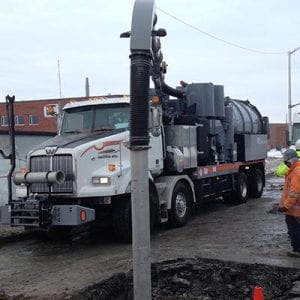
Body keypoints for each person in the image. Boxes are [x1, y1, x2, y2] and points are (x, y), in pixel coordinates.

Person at [279, 148, 300, 257]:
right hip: (294, 209)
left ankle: (297, 250)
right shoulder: (294, 171)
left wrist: (285, 206)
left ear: (291, 160)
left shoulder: (296, 172)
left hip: (295, 210)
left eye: (286, 162)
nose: (285, 164)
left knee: (294, 229)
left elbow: (294, 193)